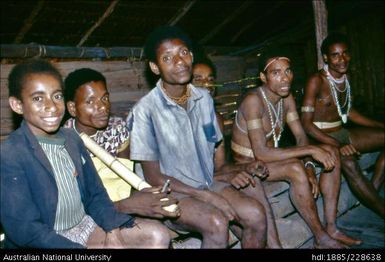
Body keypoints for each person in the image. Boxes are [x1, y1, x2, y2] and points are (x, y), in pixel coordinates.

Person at [128, 25, 268, 248]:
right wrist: (208, 197)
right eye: (167, 57)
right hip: (169, 194)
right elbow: (154, 178)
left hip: (205, 184)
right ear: (155, 67)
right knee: (216, 222)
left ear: (192, 56)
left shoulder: (204, 99)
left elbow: (211, 156)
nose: (179, 61)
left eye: (183, 53)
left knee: (256, 214)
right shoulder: (145, 111)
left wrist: (234, 172)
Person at [0, 58, 139, 248]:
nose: (52, 106)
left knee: (156, 235)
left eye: (57, 96)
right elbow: (26, 230)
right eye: (38, 98)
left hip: (82, 226)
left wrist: (112, 229)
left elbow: (95, 194)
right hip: (46, 240)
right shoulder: (10, 154)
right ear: (17, 105)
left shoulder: (72, 139)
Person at [231, 47, 360, 248]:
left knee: (331, 150)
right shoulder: (253, 101)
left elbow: (301, 136)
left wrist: (309, 166)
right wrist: (309, 152)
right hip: (249, 165)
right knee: (295, 167)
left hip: (269, 160)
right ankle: (321, 237)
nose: (285, 78)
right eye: (276, 73)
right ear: (263, 77)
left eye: (288, 71)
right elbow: (261, 152)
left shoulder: (286, 98)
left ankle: (332, 226)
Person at [63, 68, 180, 248]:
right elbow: (78, 208)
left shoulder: (117, 128)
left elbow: (125, 180)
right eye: (90, 101)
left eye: (105, 98)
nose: (102, 107)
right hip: (86, 218)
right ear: (72, 108)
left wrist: (147, 198)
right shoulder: (64, 142)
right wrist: (131, 205)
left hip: (120, 205)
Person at [192, 56, 282, 248]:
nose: (206, 84)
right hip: (188, 188)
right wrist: (227, 176)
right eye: (198, 79)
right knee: (251, 214)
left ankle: (275, 246)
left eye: (210, 79)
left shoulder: (215, 117)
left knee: (252, 180)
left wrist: (246, 168)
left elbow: (220, 165)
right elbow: (186, 175)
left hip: (209, 180)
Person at [301, 33, 384, 218]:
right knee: (349, 163)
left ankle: (372, 192)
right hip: (321, 138)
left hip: (341, 132)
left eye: (345, 53)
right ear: (325, 58)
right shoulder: (317, 81)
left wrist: (381, 125)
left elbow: (349, 112)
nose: (342, 59)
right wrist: (338, 145)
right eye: (335, 55)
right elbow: (306, 125)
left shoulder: (345, 78)